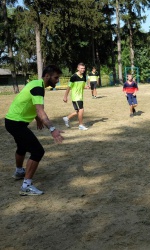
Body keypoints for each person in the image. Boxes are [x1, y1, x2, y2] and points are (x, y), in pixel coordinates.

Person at [5, 65, 64, 195]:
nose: (57, 81)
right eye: (55, 77)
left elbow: (32, 105)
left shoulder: (36, 83)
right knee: (38, 151)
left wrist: (37, 119)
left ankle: (19, 171)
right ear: (47, 76)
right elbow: (40, 110)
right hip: (16, 123)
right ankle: (26, 186)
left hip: (11, 121)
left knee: (22, 146)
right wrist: (52, 129)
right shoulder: (38, 87)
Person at [62, 62, 89, 130]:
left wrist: (86, 87)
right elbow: (69, 87)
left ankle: (67, 118)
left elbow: (82, 86)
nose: (83, 69)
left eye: (84, 68)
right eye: (81, 68)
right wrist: (65, 96)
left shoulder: (84, 76)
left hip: (80, 96)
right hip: (75, 97)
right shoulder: (73, 77)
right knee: (81, 110)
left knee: (79, 111)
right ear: (78, 68)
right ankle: (80, 125)